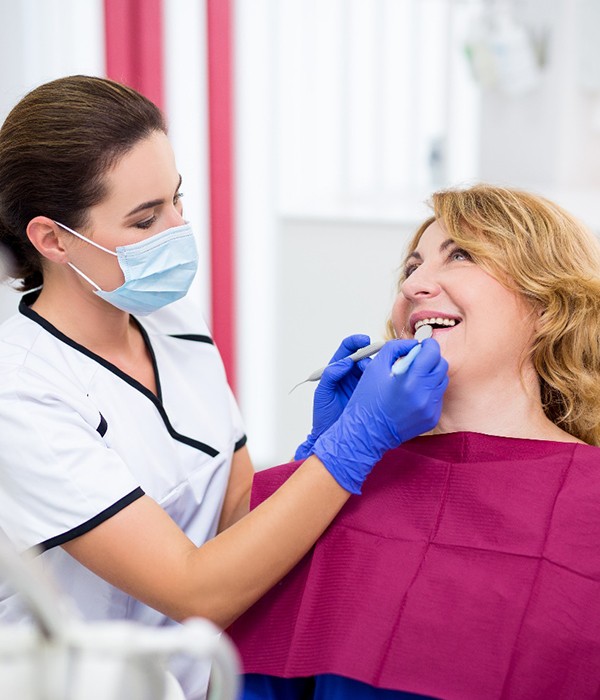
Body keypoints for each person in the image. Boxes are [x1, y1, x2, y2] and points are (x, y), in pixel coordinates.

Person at [0, 76, 450, 700]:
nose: (179, 229)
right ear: (51, 239)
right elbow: (195, 587)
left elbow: (234, 510)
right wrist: (350, 446)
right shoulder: (21, 394)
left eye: (176, 200)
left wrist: (310, 455)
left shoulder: (171, 319)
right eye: (145, 218)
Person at [228, 184, 600, 700]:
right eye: (410, 269)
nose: (415, 286)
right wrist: (321, 456)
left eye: (461, 256)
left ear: (546, 301)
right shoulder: (326, 487)